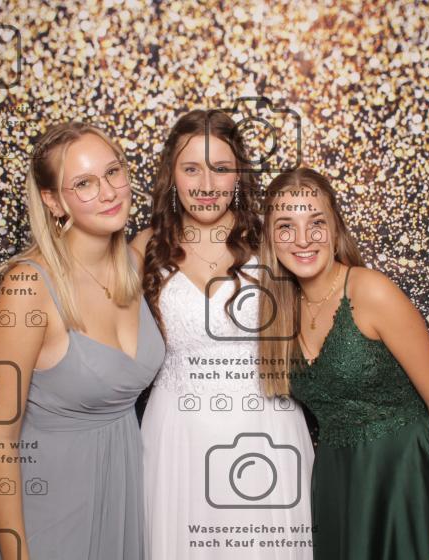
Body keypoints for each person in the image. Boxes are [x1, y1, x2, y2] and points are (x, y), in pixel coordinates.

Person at [257, 167, 429, 560]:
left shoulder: (370, 291)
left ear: (335, 228)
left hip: (405, 474)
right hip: (338, 483)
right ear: (271, 239)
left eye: (316, 223)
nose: (303, 239)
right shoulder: (280, 312)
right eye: (286, 227)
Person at [130, 109, 314, 559]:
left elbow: (326, 307)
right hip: (177, 437)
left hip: (265, 429)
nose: (207, 184)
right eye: (192, 168)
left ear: (239, 175)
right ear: (171, 175)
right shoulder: (145, 247)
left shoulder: (272, 240)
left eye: (221, 168)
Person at [0, 122, 164, 560]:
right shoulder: (27, 288)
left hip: (122, 498)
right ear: (53, 200)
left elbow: (195, 221)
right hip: (52, 508)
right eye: (84, 183)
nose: (109, 192)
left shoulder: (134, 264)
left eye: (113, 172)